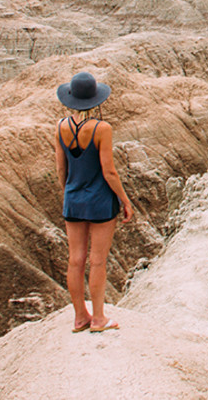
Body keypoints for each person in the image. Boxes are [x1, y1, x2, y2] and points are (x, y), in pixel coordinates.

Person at [54, 71, 134, 333]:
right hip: (100, 203)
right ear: (96, 100)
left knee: (75, 260)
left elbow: (60, 170)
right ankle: (98, 319)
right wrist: (125, 200)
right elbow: (109, 171)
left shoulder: (60, 126)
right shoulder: (102, 129)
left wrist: (70, 193)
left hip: (73, 201)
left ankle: (80, 317)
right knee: (97, 261)